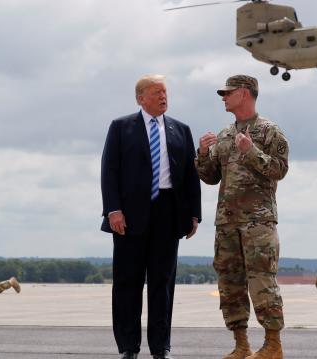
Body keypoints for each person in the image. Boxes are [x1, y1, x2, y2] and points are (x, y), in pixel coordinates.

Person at [100, 74, 202, 359]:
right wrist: (113, 210)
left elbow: (190, 176)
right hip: (129, 216)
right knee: (127, 283)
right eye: (157, 92)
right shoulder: (121, 127)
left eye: (165, 92)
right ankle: (128, 347)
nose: (163, 97)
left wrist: (194, 214)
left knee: (162, 284)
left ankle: (161, 347)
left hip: (168, 213)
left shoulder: (181, 129)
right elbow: (109, 171)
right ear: (140, 98)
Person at [195, 74, 289, 359]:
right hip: (227, 222)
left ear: (245, 94)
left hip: (258, 222)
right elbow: (210, 177)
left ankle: (273, 345)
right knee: (230, 283)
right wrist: (201, 154)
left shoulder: (270, 131)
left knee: (262, 282)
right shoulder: (224, 135)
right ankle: (241, 345)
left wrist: (251, 152)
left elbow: (279, 170)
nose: (223, 97)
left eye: (228, 92)